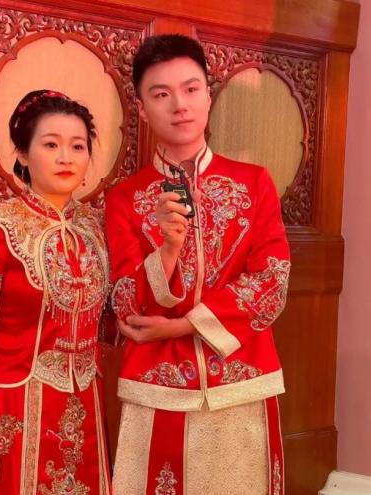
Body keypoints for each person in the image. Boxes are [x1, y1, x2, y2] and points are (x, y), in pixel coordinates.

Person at [105, 34, 290, 494]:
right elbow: (127, 304)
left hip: (241, 380)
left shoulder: (254, 183)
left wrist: (181, 325)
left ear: (209, 94)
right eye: (161, 94)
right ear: (142, 109)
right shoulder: (125, 198)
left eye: (191, 89)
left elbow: (270, 282)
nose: (179, 105)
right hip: (158, 388)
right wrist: (167, 250)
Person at [0, 90, 111, 495]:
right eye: (51, 145)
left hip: (84, 411)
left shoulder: (95, 226)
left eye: (78, 146)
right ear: (22, 153)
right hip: (11, 412)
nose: (66, 158)